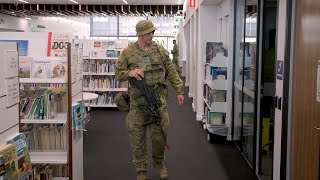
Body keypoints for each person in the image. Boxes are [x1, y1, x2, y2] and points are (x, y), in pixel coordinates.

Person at [115, 20, 185, 180]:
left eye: (153, 32)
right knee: (137, 139)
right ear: (140, 34)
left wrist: (179, 90)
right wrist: (130, 73)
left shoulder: (159, 50)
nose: (152, 35)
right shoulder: (127, 53)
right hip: (137, 104)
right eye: (149, 32)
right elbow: (118, 74)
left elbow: (171, 71)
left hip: (158, 102)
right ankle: (141, 170)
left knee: (160, 136)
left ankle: (159, 163)